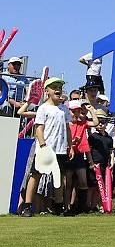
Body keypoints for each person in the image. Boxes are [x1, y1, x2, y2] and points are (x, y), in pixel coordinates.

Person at [19, 77, 69, 217]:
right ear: (47, 91)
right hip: (45, 148)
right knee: (35, 175)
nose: (58, 89)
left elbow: (67, 128)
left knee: (58, 177)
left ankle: (58, 206)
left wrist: (69, 145)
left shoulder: (64, 109)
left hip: (60, 149)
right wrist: (43, 145)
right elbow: (39, 129)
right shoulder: (43, 108)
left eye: (59, 87)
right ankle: (27, 206)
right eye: (54, 87)